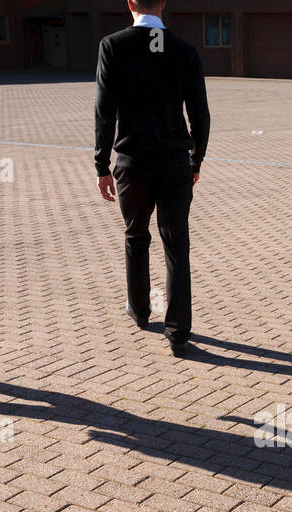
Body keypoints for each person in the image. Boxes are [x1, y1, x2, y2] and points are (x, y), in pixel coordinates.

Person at [95, 0, 210, 357]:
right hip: (174, 161)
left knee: (136, 236)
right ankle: (178, 332)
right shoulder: (185, 50)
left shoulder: (113, 46)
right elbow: (200, 113)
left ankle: (141, 310)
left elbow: (104, 110)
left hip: (133, 162)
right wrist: (196, 159)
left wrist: (102, 163)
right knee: (177, 245)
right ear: (164, 3)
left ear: (130, 3)